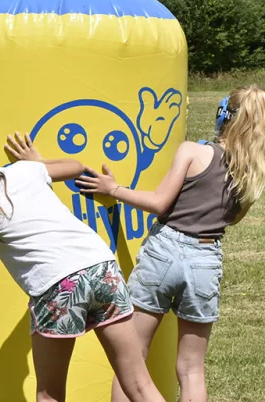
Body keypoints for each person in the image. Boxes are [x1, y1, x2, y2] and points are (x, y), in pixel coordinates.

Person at [0, 127, 165, 402]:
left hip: (57, 285)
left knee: (49, 395)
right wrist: (37, 161)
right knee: (139, 384)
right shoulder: (27, 170)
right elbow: (76, 166)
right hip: (102, 267)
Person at [77, 85, 265, 402]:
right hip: (206, 258)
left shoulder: (193, 151)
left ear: (223, 115)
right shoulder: (252, 172)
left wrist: (114, 188)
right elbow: (232, 219)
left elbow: (160, 203)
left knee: (132, 361)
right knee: (192, 369)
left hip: (164, 252)